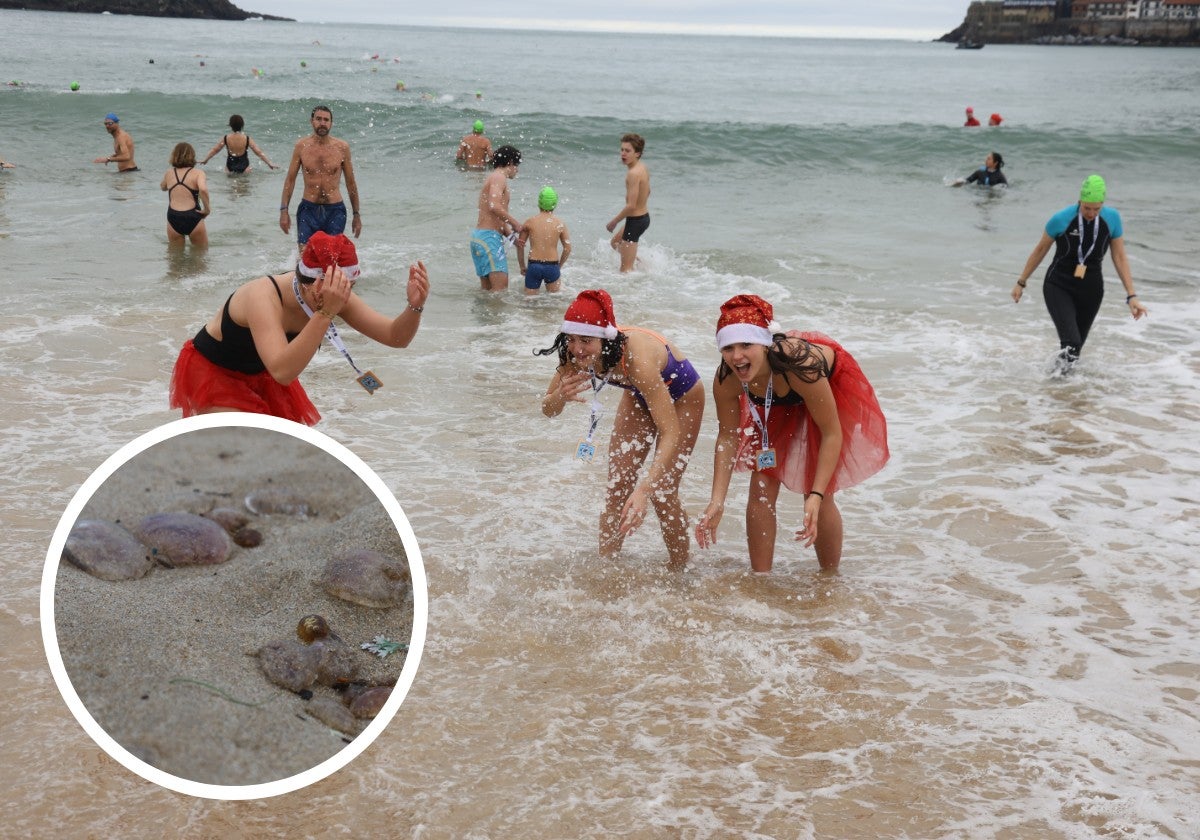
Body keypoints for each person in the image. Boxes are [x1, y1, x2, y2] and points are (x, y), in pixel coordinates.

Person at [695, 295, 889, 574]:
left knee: (820, 492)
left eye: (746, 344)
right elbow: (727, 437)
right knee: (761, 485)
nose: (736, 356)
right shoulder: (727, 378)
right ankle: (761, 580)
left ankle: (829, 579)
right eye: (728, 347)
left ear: (764, 343)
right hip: (775, 399)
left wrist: (817, 495)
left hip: (824, 387)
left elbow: (832, 433)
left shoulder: (802, 365)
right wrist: (717, 500)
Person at [169, 232, 430, 425]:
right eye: (329, 285)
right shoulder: (263, 295)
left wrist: (413, 307)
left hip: (262, 376)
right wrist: (326, 312)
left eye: (344, 285)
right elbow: (282, 371)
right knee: (246, 447)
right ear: (305, 281)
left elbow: (396, 338)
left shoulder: (336, 296)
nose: (339, 293)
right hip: (215, 372)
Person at [538, 289, 704, 568]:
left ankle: (679, 571)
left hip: (682, 396)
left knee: (662, 492)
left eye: (586, 341)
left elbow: (670, 432)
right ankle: (608, 570)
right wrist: (559, 397)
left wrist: (644, 490)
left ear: (605, 339)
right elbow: (547, 410)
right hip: (639, 393)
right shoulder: (572, 355)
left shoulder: (636, 361)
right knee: (617, 486)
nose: (578, 349)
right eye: (573, 339)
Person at [1012, 174, 1149, 373]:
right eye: (1087, 208)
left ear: (1102, 204)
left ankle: (1060, 391)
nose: (1091, 213)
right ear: (1079, 201)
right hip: (1058, 285)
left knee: (1075, 350)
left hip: (1091, 289)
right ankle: (1054, 385)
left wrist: (1131, 295)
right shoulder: (1061, 219)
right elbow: (1040, 250)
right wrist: (1021, 282)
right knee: (1071, 342)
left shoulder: (1112, 219)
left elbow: (1119, 256)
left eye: (1096, 208)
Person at [279, 105, 362, 244]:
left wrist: (356, 215)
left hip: (335, 211)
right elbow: (290, 180)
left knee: (331, 258)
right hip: (308, 209)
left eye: (326, 120)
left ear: (331, 123)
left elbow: (351, 183)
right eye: (318, 119)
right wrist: (283, 211)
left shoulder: (342, 147)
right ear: (311, 121)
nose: (322, 123)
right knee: (305, 257)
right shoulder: (301, 146)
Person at [470, 145, 524, 292]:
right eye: (517, 165)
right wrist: (515, 223)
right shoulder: (499, 177)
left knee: (487, 293)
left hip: (480, 238)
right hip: (489, 238)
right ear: (511, 162)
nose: (517, 170)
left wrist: (512, 238)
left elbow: (494, 216)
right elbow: (494, 206)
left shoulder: (493, 177)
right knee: (500, 291)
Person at [606, 133, 651, 273]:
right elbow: (648, 191)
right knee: (614, 243)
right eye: (622, 150)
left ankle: (632, 290)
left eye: (627, 151)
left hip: (636, 221)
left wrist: (614, 221)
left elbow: (631, 206)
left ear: (637, 153)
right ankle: (640, 264)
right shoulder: (642, 167)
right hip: (643, 218)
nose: (623, 154)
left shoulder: (633, 174)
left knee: (625, 270)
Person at [516, 186, 571, 296]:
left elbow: (520, 245)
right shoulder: (560, 223)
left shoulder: (530, 222)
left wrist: (522, 266)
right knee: (553, 302)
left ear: (539, 203)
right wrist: (559, 266)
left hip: (534, 265)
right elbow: (568, 248)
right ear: (554, 204)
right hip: (552, 265)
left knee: (529, 302)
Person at [159, 142, 211, 247]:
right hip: (193, 216)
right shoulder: (198, 173)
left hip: (173, 217)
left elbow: (163, 187)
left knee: (175, 258)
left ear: (174, 156)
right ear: (192, 156)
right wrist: (207, 209)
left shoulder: (169, 173)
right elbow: (203, 189)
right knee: (200, 257)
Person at [201, 114, 276, 173]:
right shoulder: (247, 138)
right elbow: (258, 152)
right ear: (242, 125)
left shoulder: (226, 138)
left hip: (230, 166)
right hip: (244, 167)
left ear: (230, 125)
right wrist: (269, 163)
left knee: (230, 189)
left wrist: (206, 159)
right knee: (244, 188)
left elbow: (215, 150)